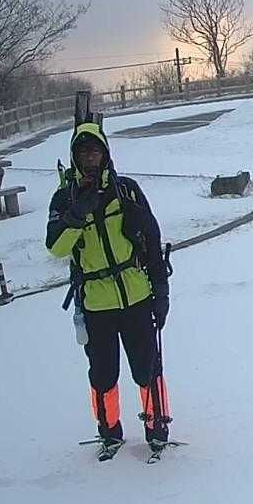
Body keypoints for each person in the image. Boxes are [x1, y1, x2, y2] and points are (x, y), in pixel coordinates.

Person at [46, 121, 171, 453]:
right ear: (74, 157)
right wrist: (76, 215)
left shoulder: (126, 190)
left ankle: (157, 426)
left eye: (95, 151)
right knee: (103, 374)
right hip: (96, 303)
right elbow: (56, 247)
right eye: (83, 152)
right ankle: (109, 430)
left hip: (137, 296)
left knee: (147, 367)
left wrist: (161, 290)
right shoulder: (64, 198)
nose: (90, 158)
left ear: (105, 153)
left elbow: (152, 241)